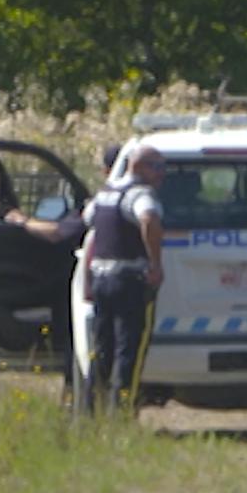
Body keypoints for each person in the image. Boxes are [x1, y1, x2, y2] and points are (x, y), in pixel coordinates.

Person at [77, 143, 167, 415]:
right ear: (137, 166)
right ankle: (121, 411)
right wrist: (155, 263)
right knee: (129, 350)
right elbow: (149, 219)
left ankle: (92, 409)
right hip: (128, 279)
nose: (161, 174)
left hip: (102, 279)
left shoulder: (105, 193)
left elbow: (88, 220)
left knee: (102, 347)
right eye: (157, 167)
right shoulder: (140, 195)